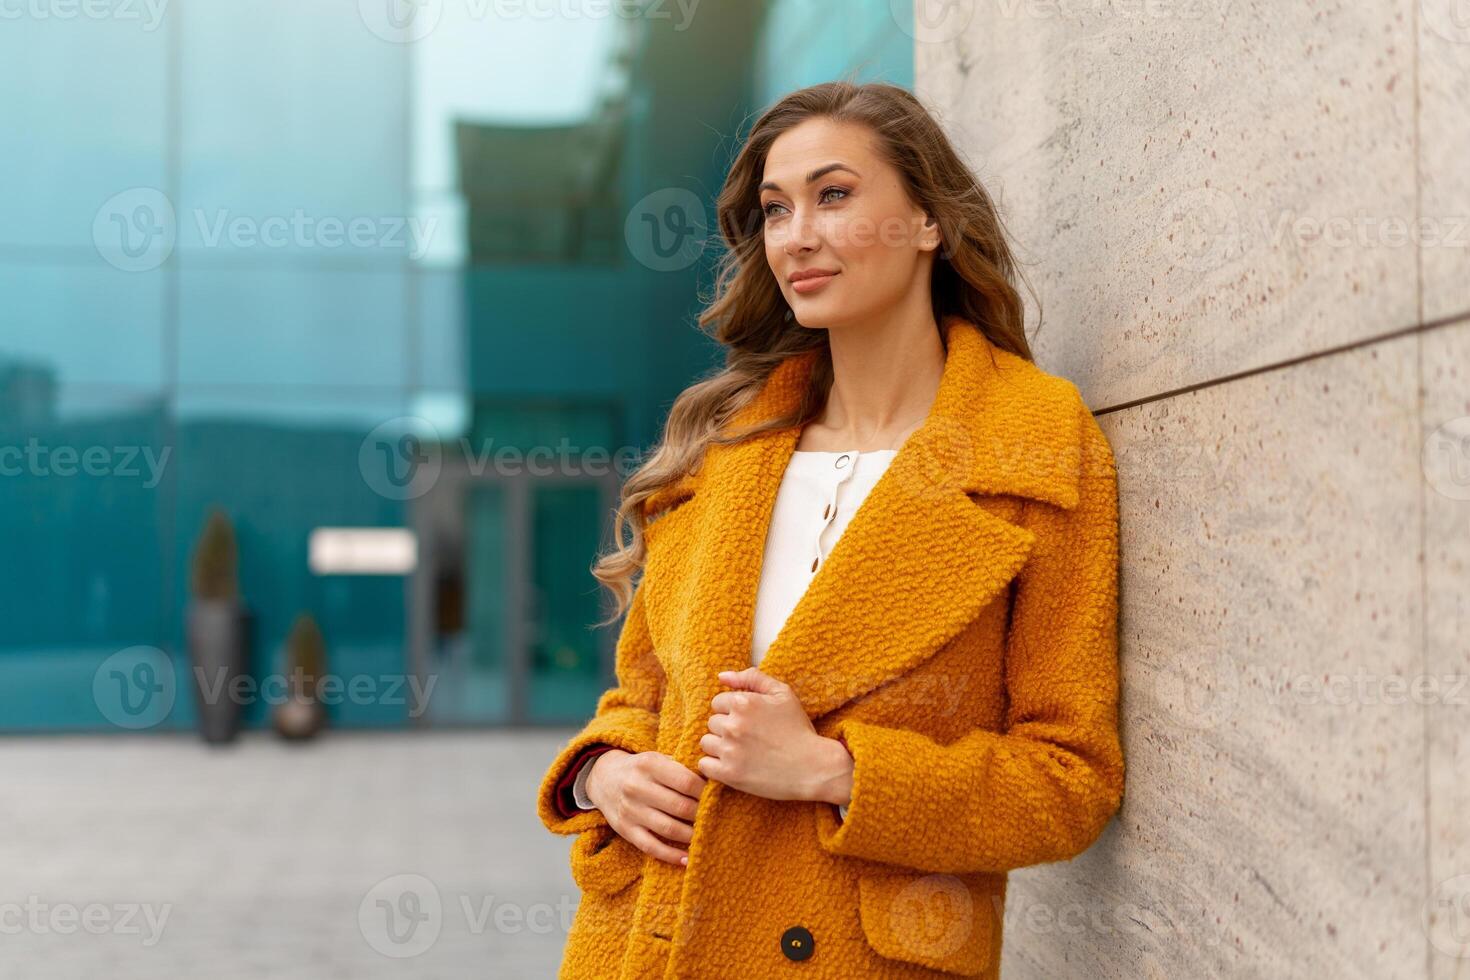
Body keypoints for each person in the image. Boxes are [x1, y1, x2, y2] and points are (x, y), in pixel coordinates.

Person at [535, 79, 1125, 980]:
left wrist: (836, 771)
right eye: (775, 210)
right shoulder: (722, 446)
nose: (796, 236)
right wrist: (603, 775)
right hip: (650, 942)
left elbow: (1069, 779)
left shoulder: (1032, 445)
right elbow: (642, 701)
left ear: (929, 220)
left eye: (834, 195)